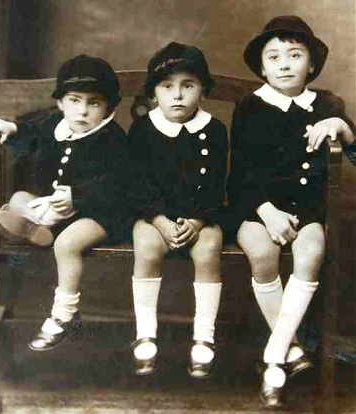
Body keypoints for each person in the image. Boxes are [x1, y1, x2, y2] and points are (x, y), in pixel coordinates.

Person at [226, 16, 356, 409]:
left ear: (311, 65)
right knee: (262, 253)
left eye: (295, 55)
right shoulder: (250, 106)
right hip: (255, 207)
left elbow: (354, 151)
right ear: (262, 68)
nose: (285, 64)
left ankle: (275, 357)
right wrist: (267, 212)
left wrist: (343, 127)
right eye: (275, 57)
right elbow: (243, 172)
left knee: (313, 249)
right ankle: (294, 348)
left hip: (307, 210)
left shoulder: (327, 104)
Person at [0, 54, 136, 352]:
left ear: (109, 107)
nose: (82, 111)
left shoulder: (113, 139)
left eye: (94, 103)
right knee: (18, 199)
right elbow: (31, 132)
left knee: (66, 244)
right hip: (57, 209)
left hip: (102, 214)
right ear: (60, 102)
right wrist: (11, 128)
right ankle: (38, 226)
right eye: (74, 100)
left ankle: (63, 314)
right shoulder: (55, 123)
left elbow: (119, 183)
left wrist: (78, 197)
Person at [128, 42, 229, 378]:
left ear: (203, 91)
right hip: (154, 216)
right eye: (167, 86)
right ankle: (146, 333)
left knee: (210, 248)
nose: (177, 95)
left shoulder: (214, 130)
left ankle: (204, 337)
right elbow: (138, 183)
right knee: (145, 245)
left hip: (201, 216)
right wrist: (159, 220)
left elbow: (217, 183)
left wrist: (199, 221)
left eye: (188, 86)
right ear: (154, 93)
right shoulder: (144, 128)